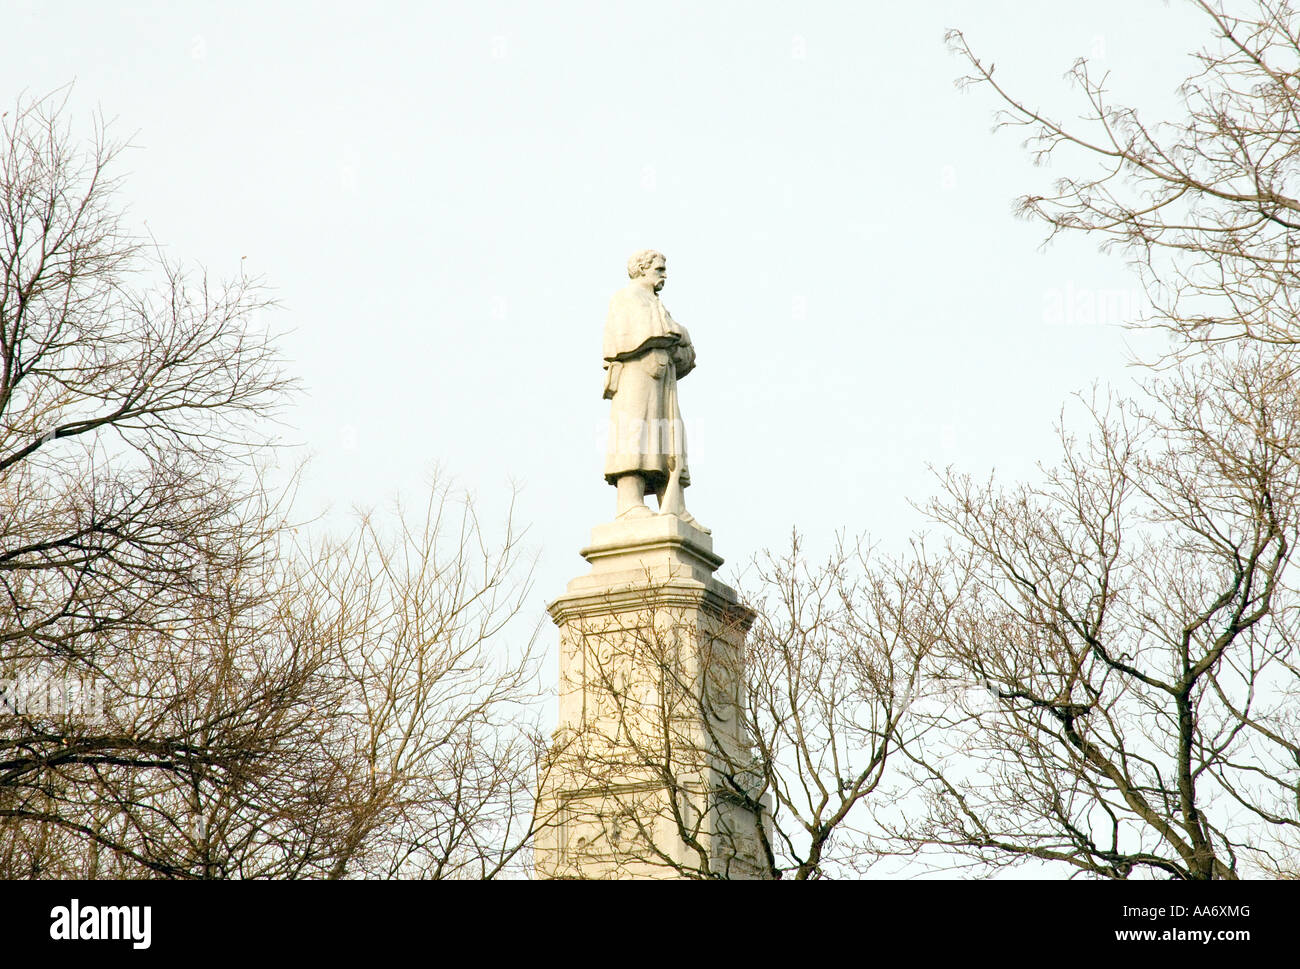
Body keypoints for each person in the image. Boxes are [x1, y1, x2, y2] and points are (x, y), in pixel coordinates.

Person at [602, 250, 706, 531]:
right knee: (636, 432)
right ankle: (629, 503)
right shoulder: (627, 297)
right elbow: (653, 332)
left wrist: (678, 336)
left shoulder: (657, 304)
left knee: (667, 438)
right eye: (659, 269)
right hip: (636, 378)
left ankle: (674, 505)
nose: (664, 275)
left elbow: (685, 352)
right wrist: (679, 333)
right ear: (641, 269)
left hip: (662, 382)